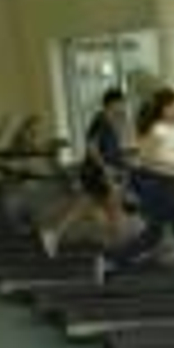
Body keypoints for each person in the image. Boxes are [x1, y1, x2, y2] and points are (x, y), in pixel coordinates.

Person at [101, 87, 174, 287]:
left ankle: (110, 258)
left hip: (169, 185)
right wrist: (172, 167)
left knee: (153, 236)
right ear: (165, 109)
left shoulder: (171, 129)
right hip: (159, 187)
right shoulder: (157, 129)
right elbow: (144, 159)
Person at [41, 88, 128, 256]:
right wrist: (105, 168)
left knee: (91, 207)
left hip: (101, 174)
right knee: (113, 208)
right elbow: (92, 148)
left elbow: (110, 149)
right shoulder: (100, 120)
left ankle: (54, 234)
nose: (123, 108)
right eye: (121, 104)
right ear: (112, 103)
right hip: (97, 174)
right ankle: (120, 250)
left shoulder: (109, 122)